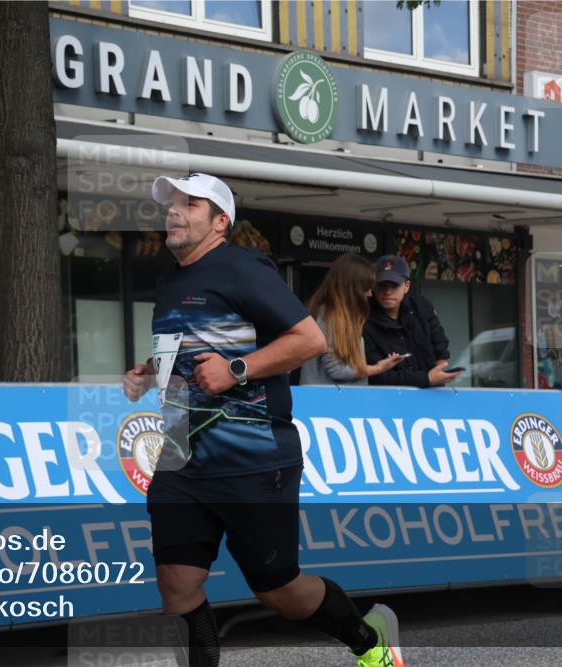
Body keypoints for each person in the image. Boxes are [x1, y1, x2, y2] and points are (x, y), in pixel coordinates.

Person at [123, 173, 404, 667]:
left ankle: (370, 640)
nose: (174, 212)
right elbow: (187, 350)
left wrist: (236, 369)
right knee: (177, 582)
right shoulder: (169, 281)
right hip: (181, 456)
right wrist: (149, 373)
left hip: (252, 458)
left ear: (220, 222)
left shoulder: (242, 268)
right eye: (172, 204)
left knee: (279, 591)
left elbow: (309, 341)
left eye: (190, 205)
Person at [300, 254, 404, 385]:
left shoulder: (339, 315)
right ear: (351, 288)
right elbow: (337, 371)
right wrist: (379, 368)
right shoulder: (327, 316)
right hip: (328, 402)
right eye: (365, 287)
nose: (369, 294)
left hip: (340, 400)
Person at [364, 255, 462, 388]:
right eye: (382, 285)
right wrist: (427, 378)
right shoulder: (364, 320)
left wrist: (439, 372)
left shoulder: (422, 306)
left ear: (407, 286)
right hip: (389, 399)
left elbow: (440, 347)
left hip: (432, 394)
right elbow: (376, 376)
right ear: (373, 287)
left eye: (394, 285)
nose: (387, 291)